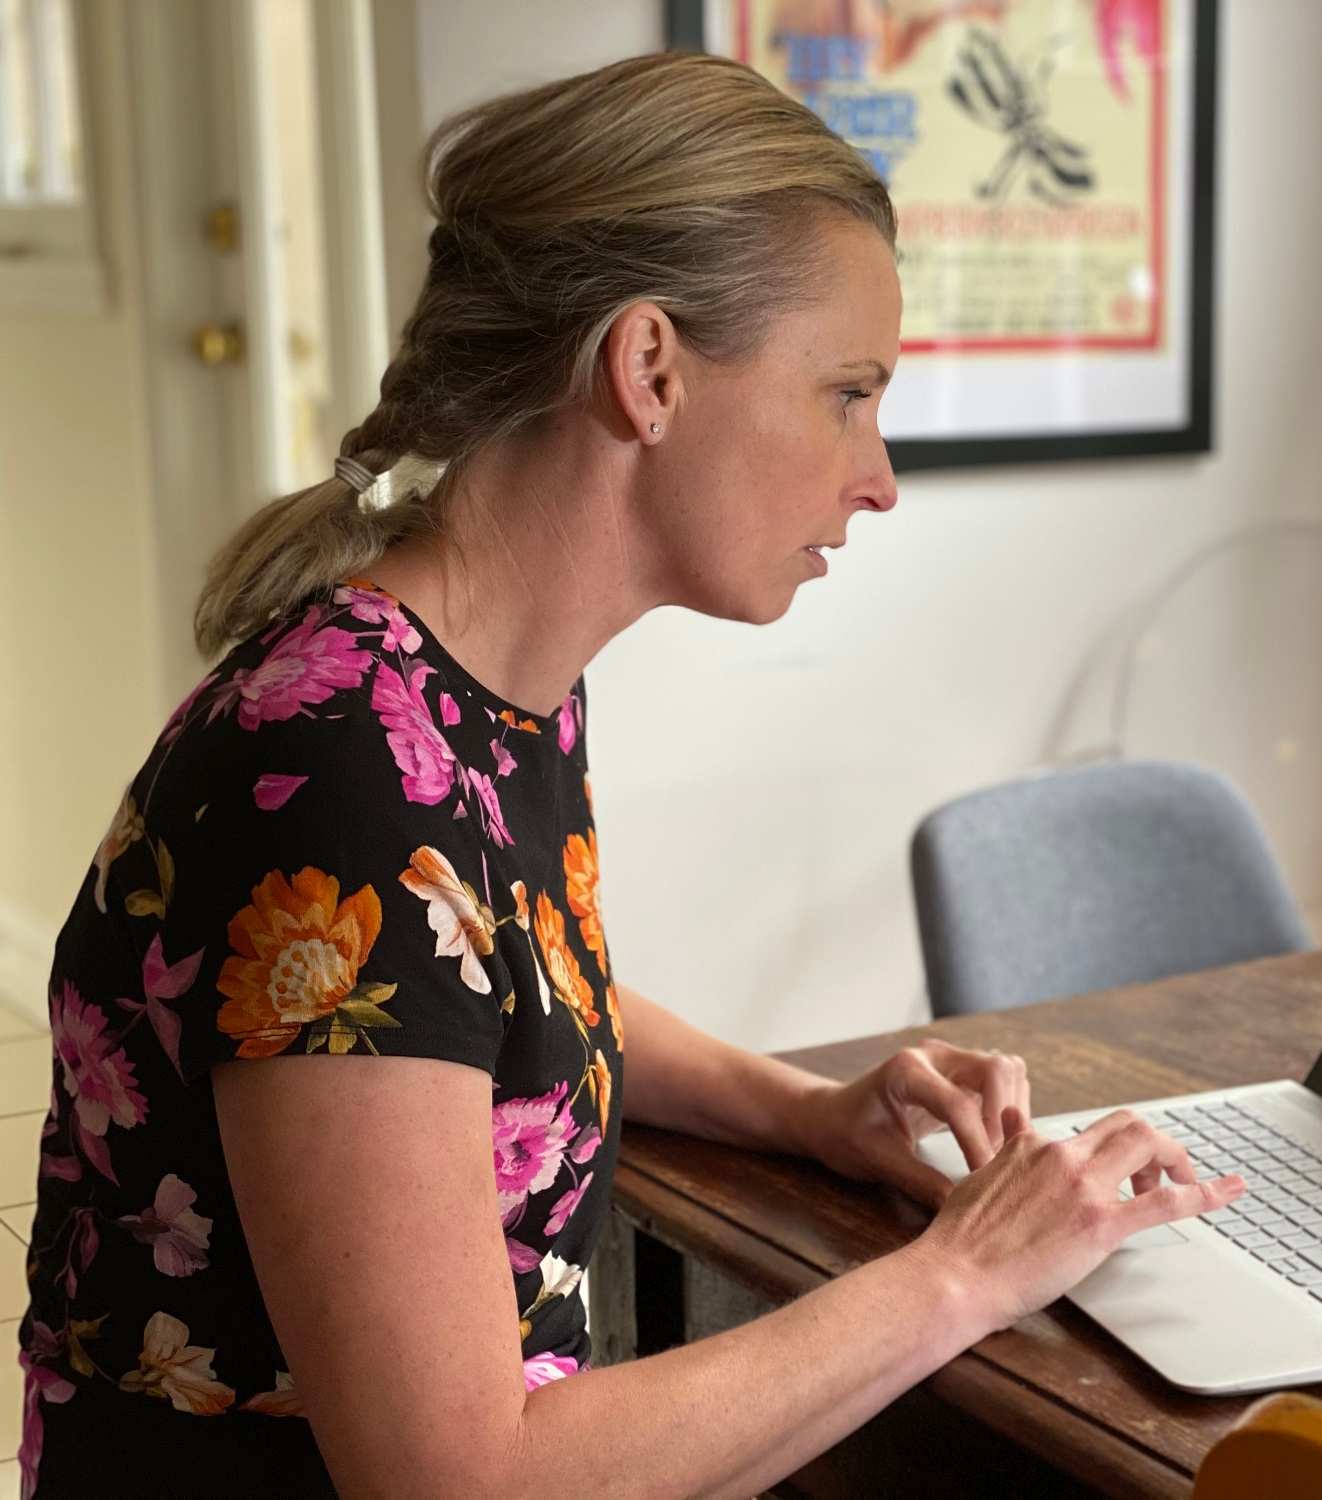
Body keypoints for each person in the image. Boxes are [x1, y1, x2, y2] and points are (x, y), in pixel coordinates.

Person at [18, 50, 1243, 1497]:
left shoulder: (467, 691)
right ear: (649, 369)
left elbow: (481, 998)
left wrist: (801, 1109)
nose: (877, 473)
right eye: (846, 393)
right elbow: (457, 1482)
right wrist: (962, 1275)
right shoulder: (343, 774)